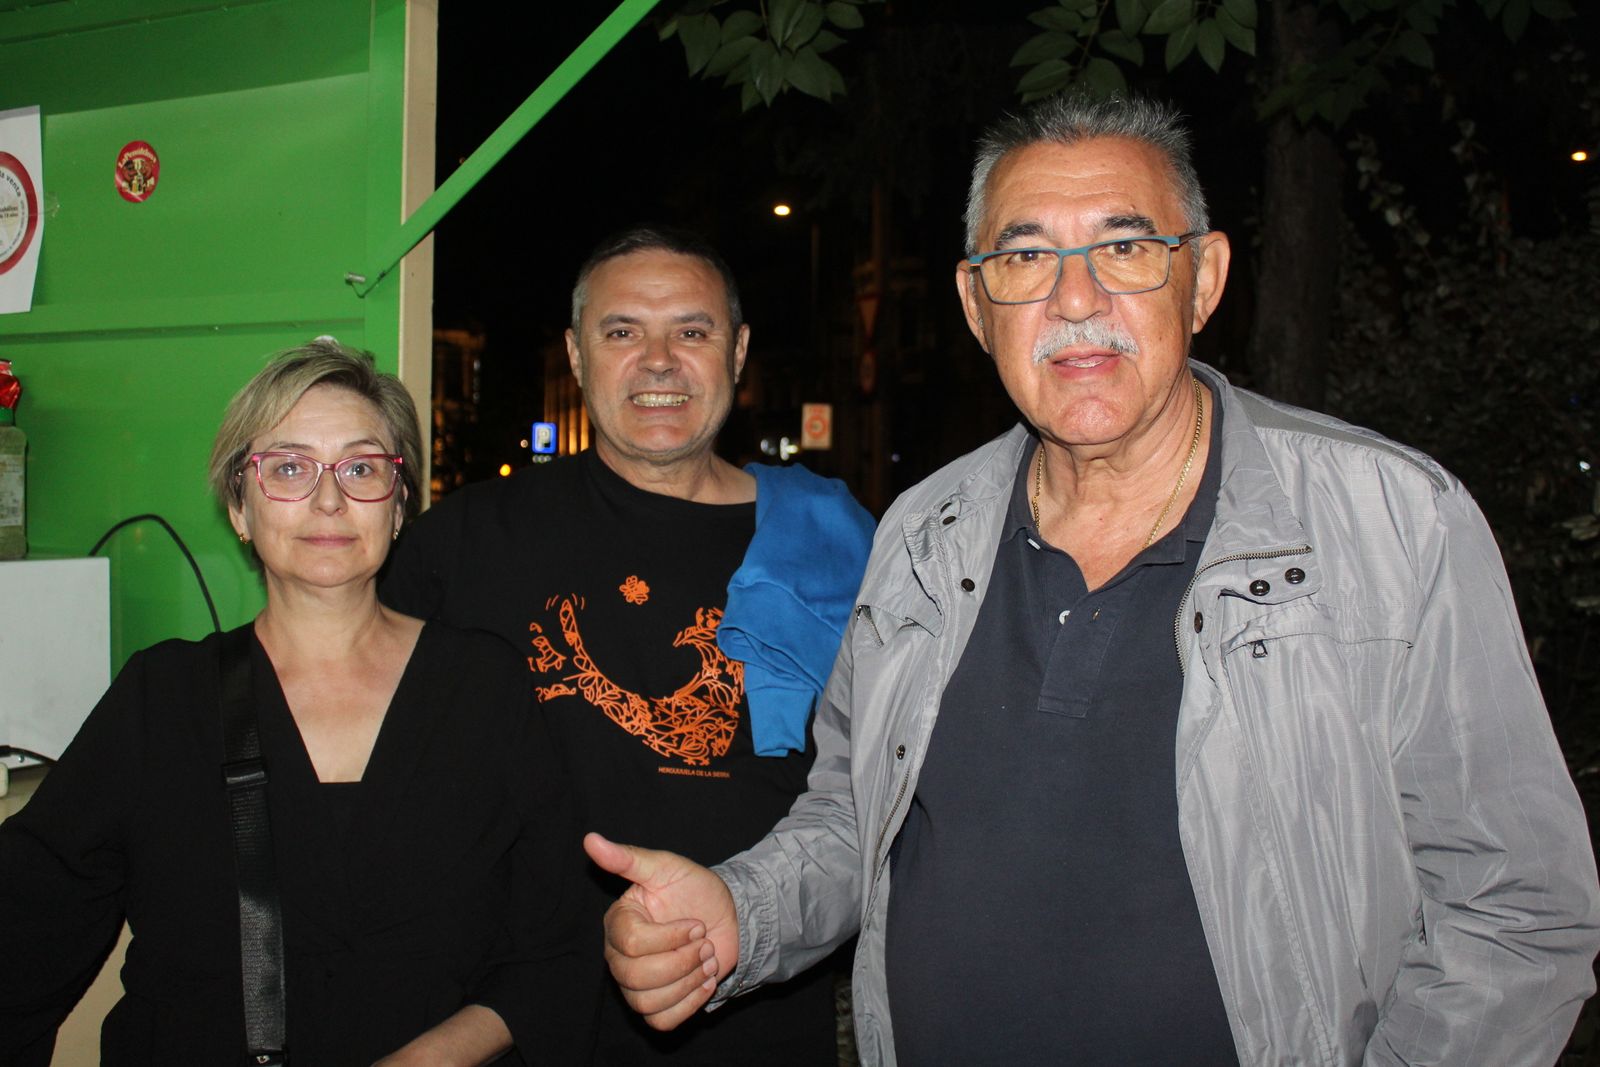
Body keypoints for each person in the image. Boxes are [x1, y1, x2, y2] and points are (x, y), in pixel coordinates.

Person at [587, 95, 1600, 1065]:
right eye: (1025, 257)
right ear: (976, 304)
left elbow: (1515, 910)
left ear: (1203, 280)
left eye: (1125, 248)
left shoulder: (1390, 523)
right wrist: (741, 911)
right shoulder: (921, 538)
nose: (1075, 301)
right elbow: (858, 817)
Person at [0, 340, 591, 1066]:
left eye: (361, 468)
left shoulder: (485, 689)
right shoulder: (162, 701)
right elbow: (27, 927)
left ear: (400, 505)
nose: (328, 500)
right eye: (288, 468)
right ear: (238, 508)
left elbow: (556, 943)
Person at [381, 226, 874, 1065]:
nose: (659, 362)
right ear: (576, 355)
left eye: (692, 331)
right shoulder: (468, 540)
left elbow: (882, 797)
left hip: (756, 1019)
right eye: (622, 332)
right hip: (517, 1027)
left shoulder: (834, 544)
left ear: (738, 351)